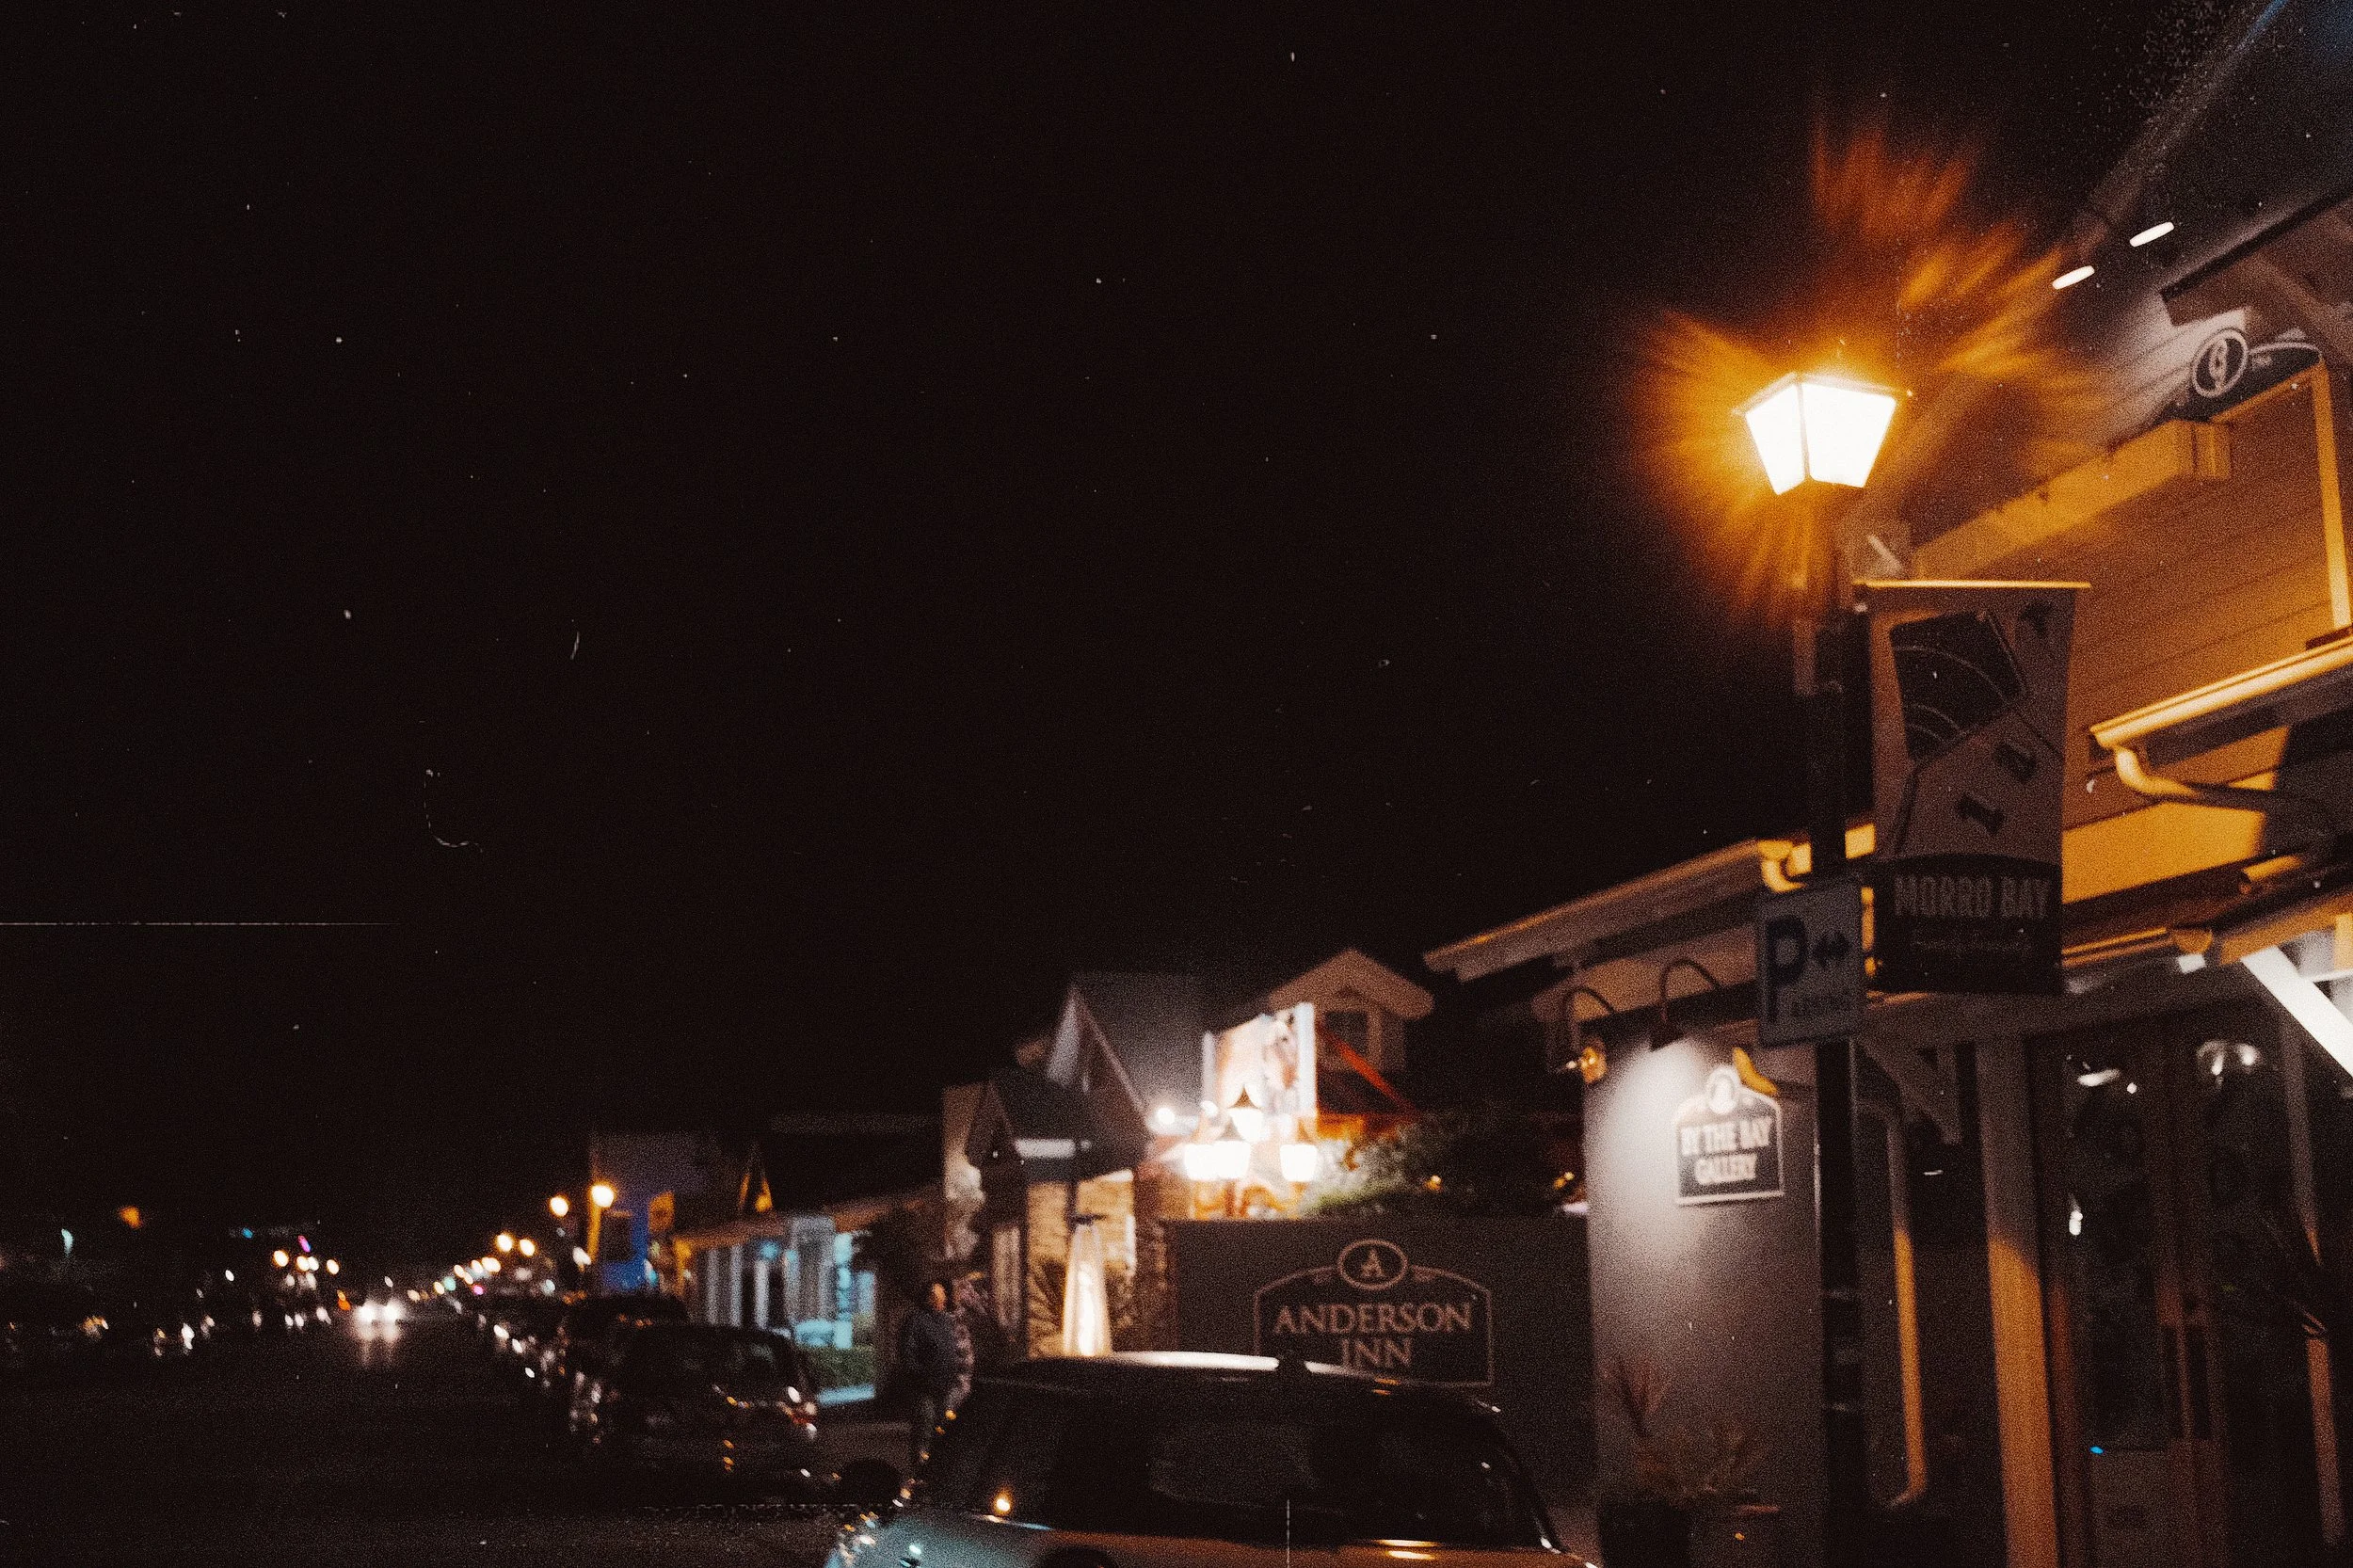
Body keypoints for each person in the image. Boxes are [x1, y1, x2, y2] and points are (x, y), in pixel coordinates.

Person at [896, 1279, 971, 1470]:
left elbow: (953, 1349)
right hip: (925, 1389)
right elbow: (907, 1354)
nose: (944, 1298)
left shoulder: (945, 1320)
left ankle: (938, 1468)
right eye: (939, 1295)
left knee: (943, 1429)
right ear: (929, 1298)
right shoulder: (916, 1321)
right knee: (925, 1429)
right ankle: (920, 1470)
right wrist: (922, 1376)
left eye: (943, 1294)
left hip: (946, 1387)